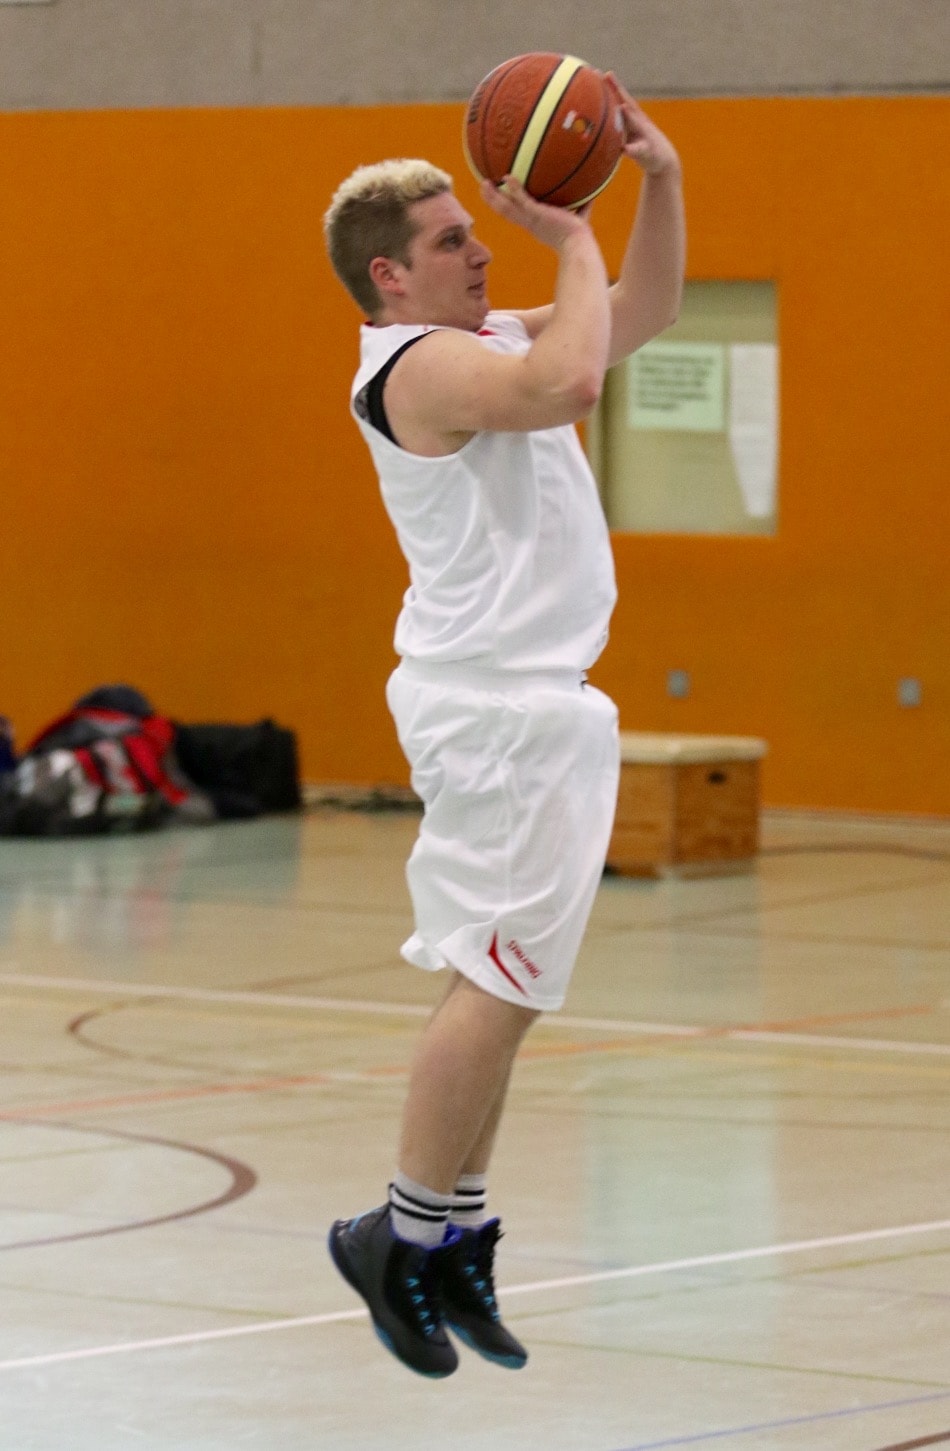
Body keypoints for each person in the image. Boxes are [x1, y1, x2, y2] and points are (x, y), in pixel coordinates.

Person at [322, 75, 685, 1378]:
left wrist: (657, 180)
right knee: (496, 983)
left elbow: (641, 315)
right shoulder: (418, 366)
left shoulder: (479, 338)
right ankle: (396, 1233)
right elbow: (572, 381)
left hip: (531, 704)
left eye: (476, 233)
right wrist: (570, 233)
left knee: (508, 987)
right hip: (493, 707)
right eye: (450, 240)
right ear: (390, 277)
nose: (482, 249)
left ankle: (451, 1229)